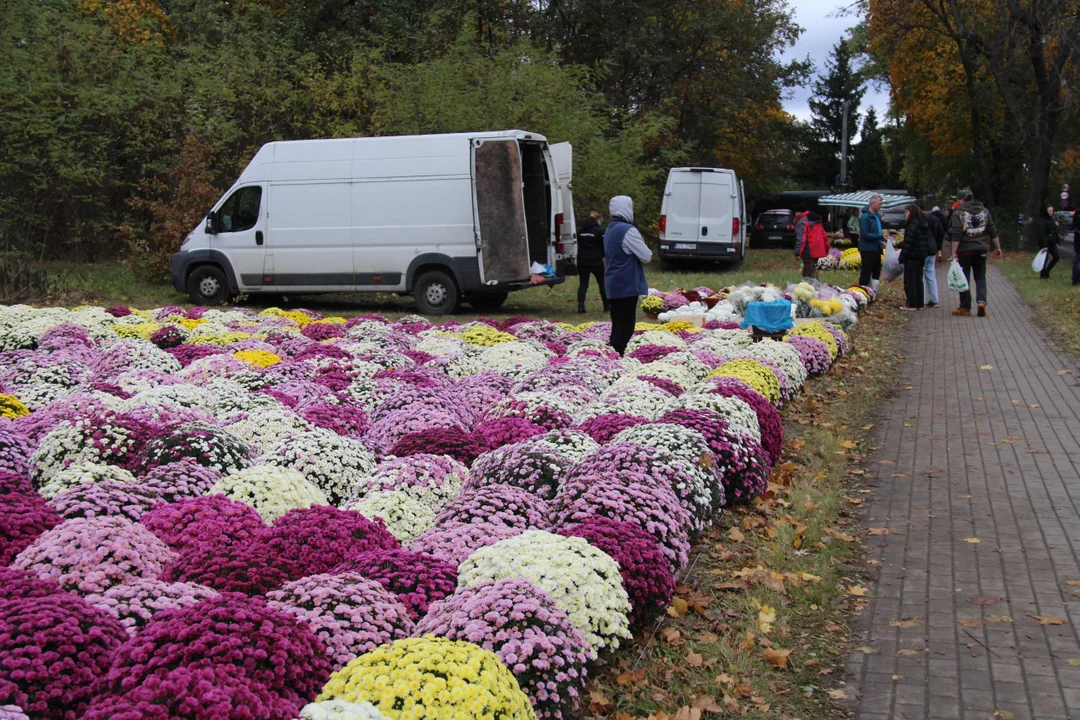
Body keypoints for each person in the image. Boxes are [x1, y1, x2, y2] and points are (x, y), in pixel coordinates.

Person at [604, 195, 651, 356]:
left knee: (617, 325)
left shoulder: (609, 229)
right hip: (626, 284)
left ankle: (612, 356)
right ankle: (615, 358)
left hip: (612, 283)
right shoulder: (628, 230)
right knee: (625, 328)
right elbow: (646, 256)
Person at [949, 190, 1002, 317]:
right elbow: (992, 230)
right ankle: (981, 302)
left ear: (962, 200)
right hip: (981, 249)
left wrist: (954, 251)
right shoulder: (984, 211)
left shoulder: (959, 213)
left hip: (965, 250)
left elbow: (956, 233)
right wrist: (998, 247)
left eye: (958, 200)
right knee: (980, 277)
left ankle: (965, 307)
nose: (957, 202)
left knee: (964, 277)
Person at [576, 211, 608, 313]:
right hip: (595, 260)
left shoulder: (581, 231)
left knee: (583, 283)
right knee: (602, 283)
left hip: (582, 260)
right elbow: (603, 246)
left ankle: (581, 306)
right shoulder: (599, 231)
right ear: (598, 220)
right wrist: (600, 256)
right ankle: (606, 305)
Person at [899, 204, 930, 310]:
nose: (905, 215)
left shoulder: (911, 225)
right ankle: (919, 303)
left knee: (911, 280)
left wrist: (902, 256)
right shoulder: (922, 224)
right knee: (918, 280)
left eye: (906, 212)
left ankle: (912, 303)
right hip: (920, 256)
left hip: (912, 256)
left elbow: (909, 243)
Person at [858, 195, 886, 289]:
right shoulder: (865, 217)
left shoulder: (877, 216)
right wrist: (880, 236)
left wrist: (881, 241)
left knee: (876, 271)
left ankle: (874, 291)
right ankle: (862, 291)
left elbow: (878, 230)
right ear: (872, 203)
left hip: (876, 248)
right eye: (879, 204)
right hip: (867, 249)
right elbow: (865, 234)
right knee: (866, 271)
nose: (880, 206)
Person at [794, 207, 828, 281]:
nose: (796, 214)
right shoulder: (815, 220)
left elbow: (801, 238)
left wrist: (797, 252)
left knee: (810, 272)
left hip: (808, 250)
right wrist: (827, 248)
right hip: (817, 249)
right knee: (809, 269)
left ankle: (814, 288)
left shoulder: (802, 222)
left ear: (802, 212)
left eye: (797, 212)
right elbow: (824, 235)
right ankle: (808, 286)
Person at [925, 206, 948, 307]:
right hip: (933, 249)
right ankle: (934, 299)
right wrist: (938, 247)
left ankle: (920, 300)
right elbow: (942, 233)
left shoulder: (920, 219)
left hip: (923, 250)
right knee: (931, 275)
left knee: (920, 275)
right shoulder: (936, 219)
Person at [1036, 205, 1060, 280]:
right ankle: (1042, 275)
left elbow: (1052, 229)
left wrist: (1055, 225)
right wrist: (1044, 245)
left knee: (1056, 256)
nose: (1051, 212)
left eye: (1052, 210)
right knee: (1044, 259)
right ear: (1046, 211)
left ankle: (1047, 271)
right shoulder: (1042, 220)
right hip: (1045, 242)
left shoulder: (1052, 218)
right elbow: (1041, 233)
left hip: (1053, 242)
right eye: (1049, 210)